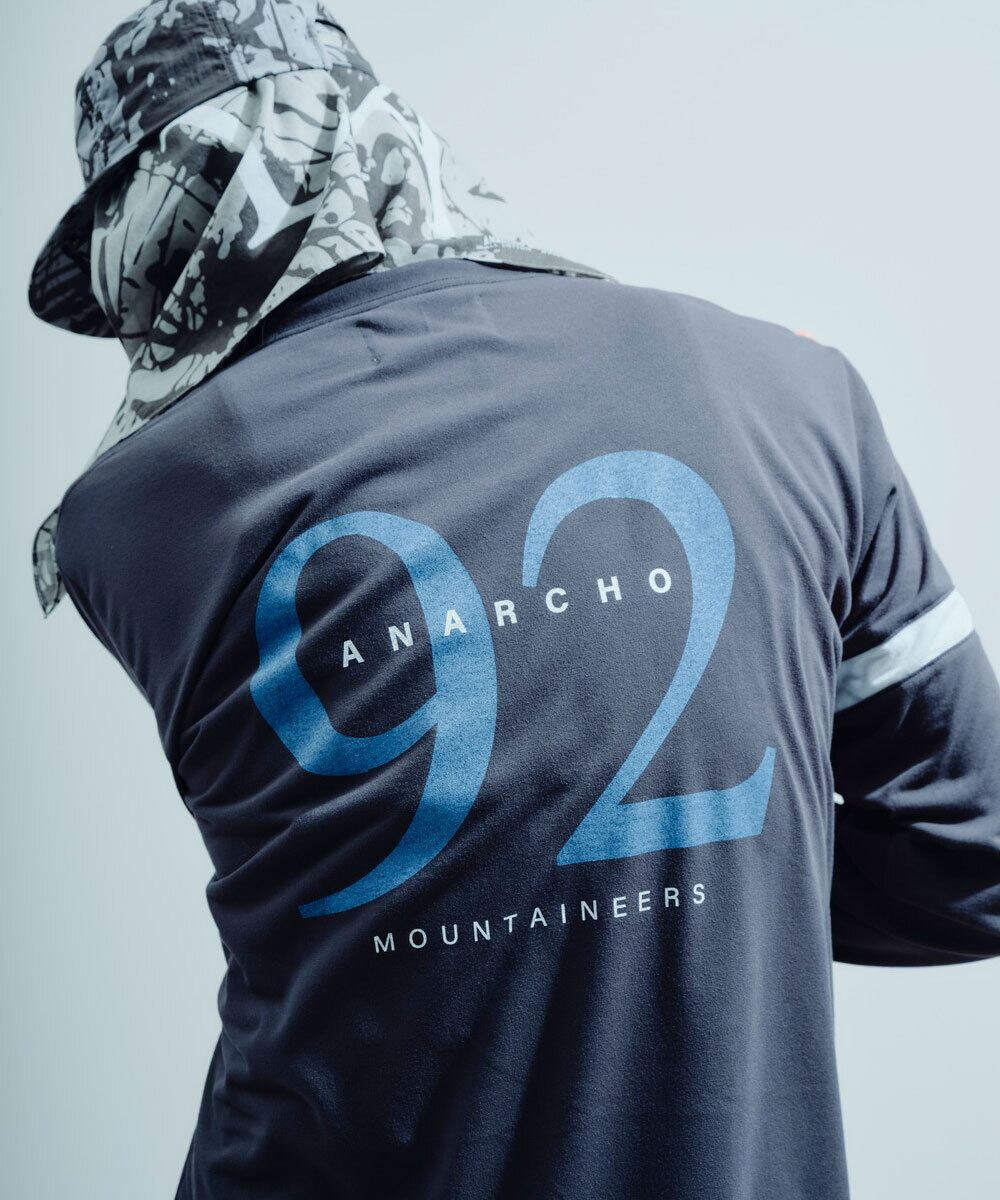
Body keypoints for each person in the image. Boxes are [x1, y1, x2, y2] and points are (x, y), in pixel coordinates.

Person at [28, 2, 1000, 1198]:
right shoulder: (791, 390)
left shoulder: (132, 509)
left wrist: (544, 873)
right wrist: (712, 878)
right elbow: (975, 852)